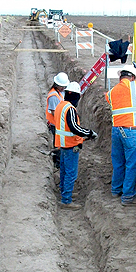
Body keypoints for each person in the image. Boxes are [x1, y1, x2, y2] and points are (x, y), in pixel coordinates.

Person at [105, 61, 136, 206]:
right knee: (131, 164)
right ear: (133, 77)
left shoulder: (112, 92)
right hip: (131, 132)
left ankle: (116, 190)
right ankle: (127, 196)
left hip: (116, 131)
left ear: (121, 77)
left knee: (118, 162)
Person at [54, 81, 98, 210]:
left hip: (63, 144)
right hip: (70, 145)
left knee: (64, 170)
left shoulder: (61, 105)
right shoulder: (70, 109)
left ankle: (65, 191)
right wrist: (89, 133)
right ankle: (66, 199)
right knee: (71, 173)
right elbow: (75, 128)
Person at [46, 72, 70, 168]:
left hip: (58, 123)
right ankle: (57, 163)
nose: (64, 88)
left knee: (59, 142)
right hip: (55, 123)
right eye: (62, 86)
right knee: (58, 143)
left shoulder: (59, 92)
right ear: (57, 85)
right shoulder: (53, 96)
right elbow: (53, 111)